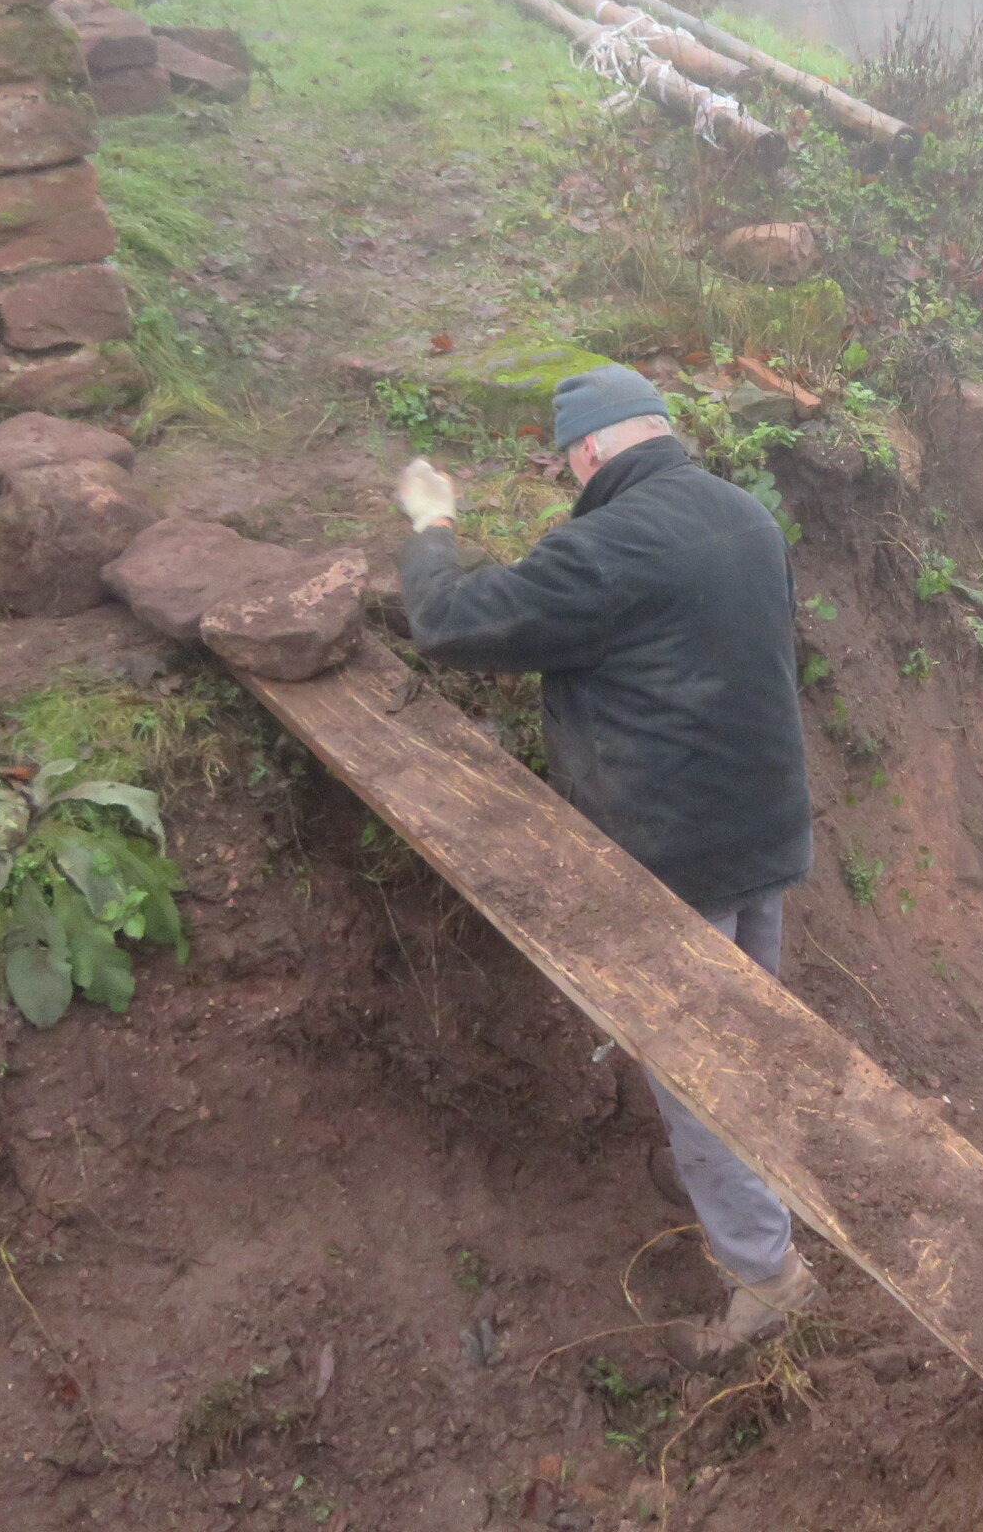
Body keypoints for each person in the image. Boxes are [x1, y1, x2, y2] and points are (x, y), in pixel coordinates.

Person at [391, 365, 817, 1363]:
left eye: (565, 463)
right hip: (763, 833)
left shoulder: (611, 545)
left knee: (700, 1075)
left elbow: (451, 622)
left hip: (675, 866)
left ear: (587, 450)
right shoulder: (744, 516)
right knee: (748, 1045)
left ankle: (767, 1279)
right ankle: (766, 1202)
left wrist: (431, 525)